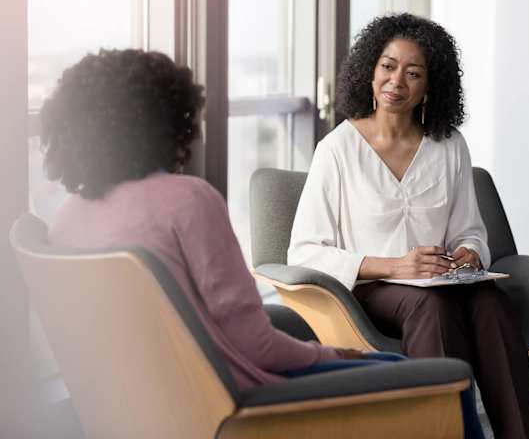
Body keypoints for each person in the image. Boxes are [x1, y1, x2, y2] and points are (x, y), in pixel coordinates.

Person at [40, 48, 483, 438]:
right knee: (445, 381)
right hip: (237, 402)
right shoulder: (189, 201)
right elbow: (255, 346)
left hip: (145, 407)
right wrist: (329, 352)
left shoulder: (66, 219)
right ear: (170, 121)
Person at [288, 13, 529, 439]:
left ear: (429, 85)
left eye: (413, 72)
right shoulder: (337, 149)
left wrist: (470, 252)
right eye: (388, 66)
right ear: (370, 71)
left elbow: (470, 229)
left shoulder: (449, 145)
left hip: (444, 283)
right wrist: (392, 266)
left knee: (492, 305)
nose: (396, 81)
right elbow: (304, 251)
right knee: (431, 308)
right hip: (372, 290)